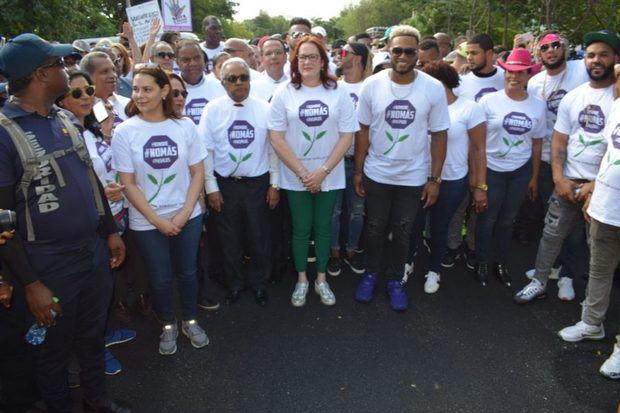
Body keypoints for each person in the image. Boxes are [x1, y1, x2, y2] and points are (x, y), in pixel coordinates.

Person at [0, 33, 131, 412]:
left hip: (91, 253)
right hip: (47, 265)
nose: (67, 70)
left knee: (92, 337)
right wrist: (31, 283)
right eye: (58, 65)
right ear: (41, 75)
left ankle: (97, 401)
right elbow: (3, 222)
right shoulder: (6, 133)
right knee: (51, 352)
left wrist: (109, 232)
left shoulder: (63, 118)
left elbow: (90, 179)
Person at [514, 30, 618, 303]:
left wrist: (594, 186)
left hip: (603, 187)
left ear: (615, 59)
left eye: (604, 55)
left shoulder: (617, 99)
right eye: (592, 55)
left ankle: (571, 280)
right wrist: (559, 177)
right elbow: (560, 140)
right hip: (568, 179)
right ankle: (539, 280)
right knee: (551, 234)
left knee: (591, 244)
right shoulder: (575, 96)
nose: (596, 60)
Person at [111, 64, 208, 355]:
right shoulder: (124, 132)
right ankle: (167, 323)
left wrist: (184, 212)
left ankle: (190, 319)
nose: (139, 95)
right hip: (147, 221)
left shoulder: (185, 126)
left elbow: (198, 174)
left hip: (187, 215)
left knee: (188, 272)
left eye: (147, 89)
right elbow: (127, 183)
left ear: (164, 91)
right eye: (136, 89)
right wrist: (157, 220)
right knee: (160, 276)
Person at [354, 25, 449, 311]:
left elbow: (440, 135)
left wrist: (434, 179)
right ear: (389, 51)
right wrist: (358, 171)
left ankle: (395, 280)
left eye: (410, 50)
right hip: (377, 173)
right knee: (374, 228)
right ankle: (371, 274)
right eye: (398, 50)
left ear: (418, 52)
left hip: (413, 176)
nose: (403, 56)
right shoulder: (372, 84)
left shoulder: (432, 88)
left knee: (404, 230)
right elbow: (363, 131)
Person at [56, 70, 139, 375]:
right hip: (87, 226)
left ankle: (104, 334)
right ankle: (92, 354)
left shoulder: (90, 130)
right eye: (76, 93)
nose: (86, 97)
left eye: (88, 90)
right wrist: (100, 195)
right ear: (60, 100)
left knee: (104, 286)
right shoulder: (62, 137)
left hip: (111, 217)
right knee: (88, 296)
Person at [268, 36, 357, 307]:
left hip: (329, 174)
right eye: (302, 57)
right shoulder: (285, 92)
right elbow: (276, 137)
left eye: (313, 57)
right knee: (300, 229)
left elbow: (346, 136)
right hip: (296, 176)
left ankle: (321, 279)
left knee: (323, 228)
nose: (307, 62)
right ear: (295, 61)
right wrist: (304, 173)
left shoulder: (338, 91)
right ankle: (302, 280)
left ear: (322, 61)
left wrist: (322, 172)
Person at [558, 44, 620, 378]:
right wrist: (597, 190)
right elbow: (610, 152)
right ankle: (592, 323)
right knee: (599, 270)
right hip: (607, 207)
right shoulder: (616, 106)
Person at [199, 58, 280, 306]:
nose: (239, 83)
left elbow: (273, 150)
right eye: (232, 79)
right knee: (229, 240)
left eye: (243, 77)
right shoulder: (212, 109)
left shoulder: (264, 108)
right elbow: (206, 152)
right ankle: (234, 284)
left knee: (259, 238)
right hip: (226, 186)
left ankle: (259, 284)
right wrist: (211, 188)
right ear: (223, 82)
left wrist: (274, 184)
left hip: (258, 185)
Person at [517, 30, 591, 297]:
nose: (551, 51)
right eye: (545, 47)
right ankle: (551, 267)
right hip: (547, 160)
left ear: (565, 49)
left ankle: (567, 274)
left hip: (578, 164)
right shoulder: (535, 81)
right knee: (551, 220)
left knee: (573, 227)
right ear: (539, 53)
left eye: (556, 45)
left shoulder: (579, 69)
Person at [406, 61, 487, 293]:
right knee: (414, 224)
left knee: (440, 225)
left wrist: (480, 185)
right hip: (420, 176)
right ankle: (408, 262)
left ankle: (434, 271)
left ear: (443, 83)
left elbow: (479, 149)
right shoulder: (421, 106)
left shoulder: (469, 109)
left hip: (453, 179)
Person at [474, 48, 545, 287]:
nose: (514, 77)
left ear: (528, 75)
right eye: (509, 72)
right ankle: (482, 260)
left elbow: (537, 144)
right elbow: (478, 145)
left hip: (520, 171)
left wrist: (534, 178)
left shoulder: (537, 105)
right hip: (492, 169)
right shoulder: (488, 101)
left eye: (520, 72)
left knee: (508, 220)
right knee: (488, 218)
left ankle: (502, 261)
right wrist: (479, 182)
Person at [167, 71, 220, 312]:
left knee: (192, 260)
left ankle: (196, 297)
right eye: (174, 93)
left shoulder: (188, 125)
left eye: (183, 93)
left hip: (188, 206)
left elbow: (198, 169)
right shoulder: (137, 128)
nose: (180, 98)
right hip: (154, 209)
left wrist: (200, 198)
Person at [327, 42, 372, 276]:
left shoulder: (370, 87)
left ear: (358, 58)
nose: (339, 56)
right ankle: (334, 253)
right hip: (335, 160)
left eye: (345, 53)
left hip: (361, 160)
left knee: (357, 210)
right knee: (333, 212)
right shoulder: (333, 87)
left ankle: (352, 251)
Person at [176, 40, 222, 124]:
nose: (193, 63)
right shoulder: (170, 90)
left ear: (203, 59)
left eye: (197, 58)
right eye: (186, 60)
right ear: (177, 62)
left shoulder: (220, 87)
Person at [80, 51, 130, 128]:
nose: (113, 75)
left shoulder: (128, 105)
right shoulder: (83, 110)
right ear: (88, 77)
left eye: (113, 70)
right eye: (105, 71)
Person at [253, 37, 289, 102]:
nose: (274, 57)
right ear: (261, 58)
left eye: (278, 52)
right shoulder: (252, 88)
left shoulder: (295, 84)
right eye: (268, 53)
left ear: (285, 57)